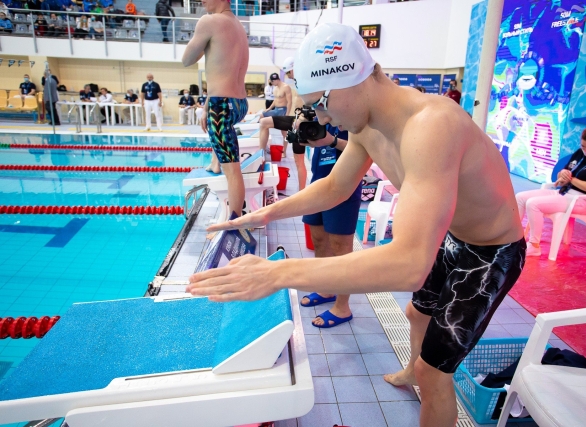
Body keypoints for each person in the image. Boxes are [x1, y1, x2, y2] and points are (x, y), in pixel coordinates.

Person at [187, 23, 526, 427]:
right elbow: (335, 186)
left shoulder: (432, 125)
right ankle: (411, 370)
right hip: (455, 237)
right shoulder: (366, 126)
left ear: (352, 79)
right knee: (416, 314)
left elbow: (409, 264)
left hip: (493, 250)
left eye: (320, 104)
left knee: (434, 373)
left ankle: (421, 374)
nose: (322, 118)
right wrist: (266, 213)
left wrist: (277, 274)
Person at [181, 0, 248, 218]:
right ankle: (215, 163)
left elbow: (186, 60)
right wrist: (208, 104)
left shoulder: (208, 22)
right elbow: (223, 67)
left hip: (222, 107)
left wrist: (202, 44)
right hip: (238, 103)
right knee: (226, 159)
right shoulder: (238, 26)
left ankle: (234, 225)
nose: (201, 1)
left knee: (233, 173)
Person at [516, 126, 586, 257]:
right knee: (520, 197)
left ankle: (534, 245)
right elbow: (562, 177)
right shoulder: (580, 153)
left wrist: (571, 179)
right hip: (564, 192)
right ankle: (514, 237)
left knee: (533, 204)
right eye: (583, 146)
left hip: (584, 200)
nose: (585, 150)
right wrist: (562, 174)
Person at [299, 122, 362, 328]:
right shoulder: (322, 116)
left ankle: (342, 307)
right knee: (318, 240)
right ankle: (326, 289)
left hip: (344, 188)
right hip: (318, 184)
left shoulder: (356, 117)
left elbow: (365, 150)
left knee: (341, 250)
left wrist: (331, 141)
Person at [258, 57, 307, 189]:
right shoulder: (297, 82)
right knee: (263, 122)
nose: (288, 75)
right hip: (294, 119)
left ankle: (301, 191)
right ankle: (260, 155)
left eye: (289, 72)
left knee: (299, 161)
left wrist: (299, 117)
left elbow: (305, 103)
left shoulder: (305, 81)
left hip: (301, 123)